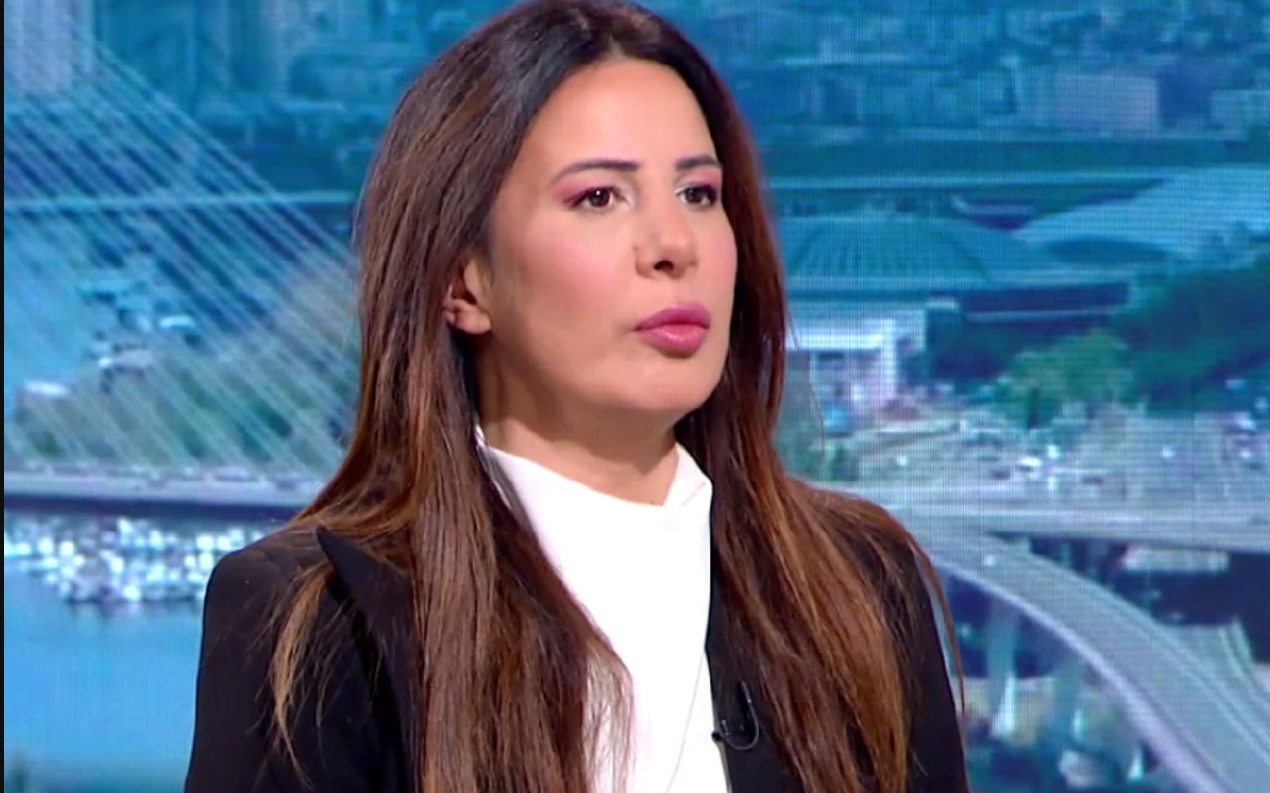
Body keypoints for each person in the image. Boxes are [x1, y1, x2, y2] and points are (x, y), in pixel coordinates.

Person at [183, 1, 968, 792]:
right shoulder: (319, 624)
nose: (673, 245)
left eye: (699, 193)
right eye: (599, 198)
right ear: (463, 280)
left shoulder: (860, 585)